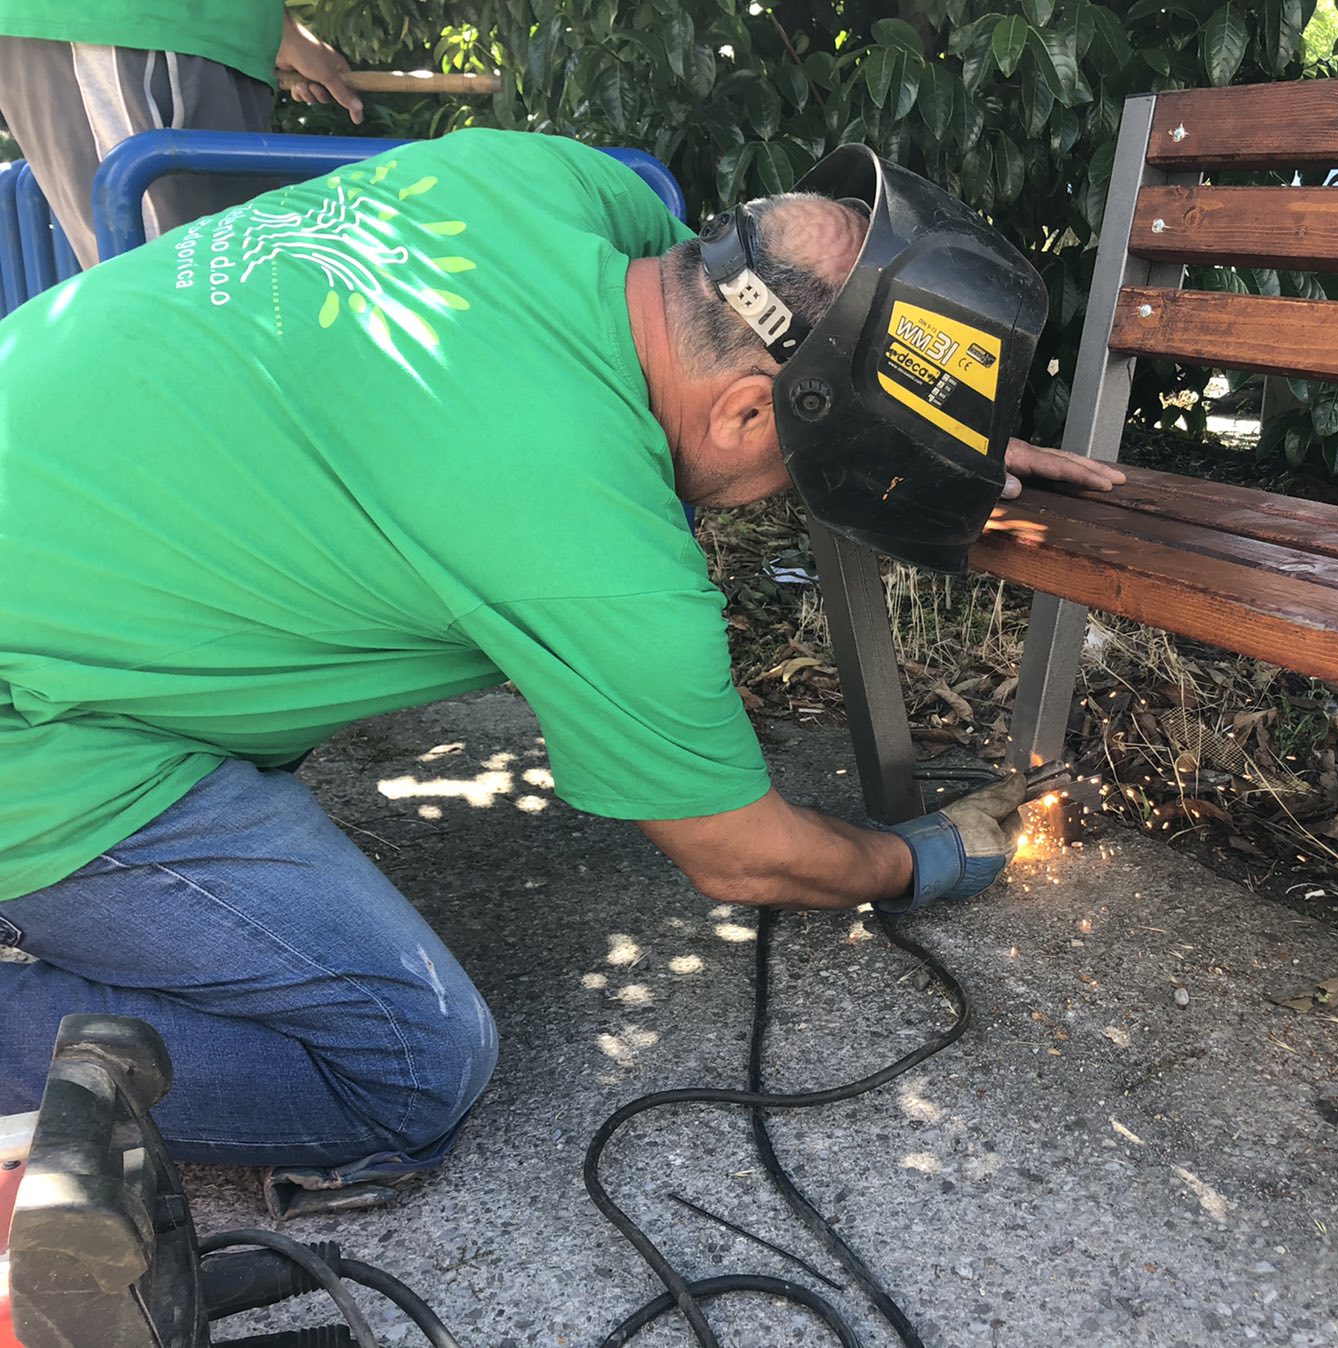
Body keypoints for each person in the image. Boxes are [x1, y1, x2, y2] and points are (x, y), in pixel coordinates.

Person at [0, 128, 1124, 1203]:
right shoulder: (596, 545)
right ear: (746, 412)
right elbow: (742, 854)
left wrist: (928, 433)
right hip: (40, 732)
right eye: (804, 458)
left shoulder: (541, 186)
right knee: (410, 1066)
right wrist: (918, 859)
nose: (786, 486)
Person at [0, 2, 363, 269]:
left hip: (211, 31)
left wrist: (281, 32)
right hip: (122, 22)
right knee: (176, 286)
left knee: (236, 279)